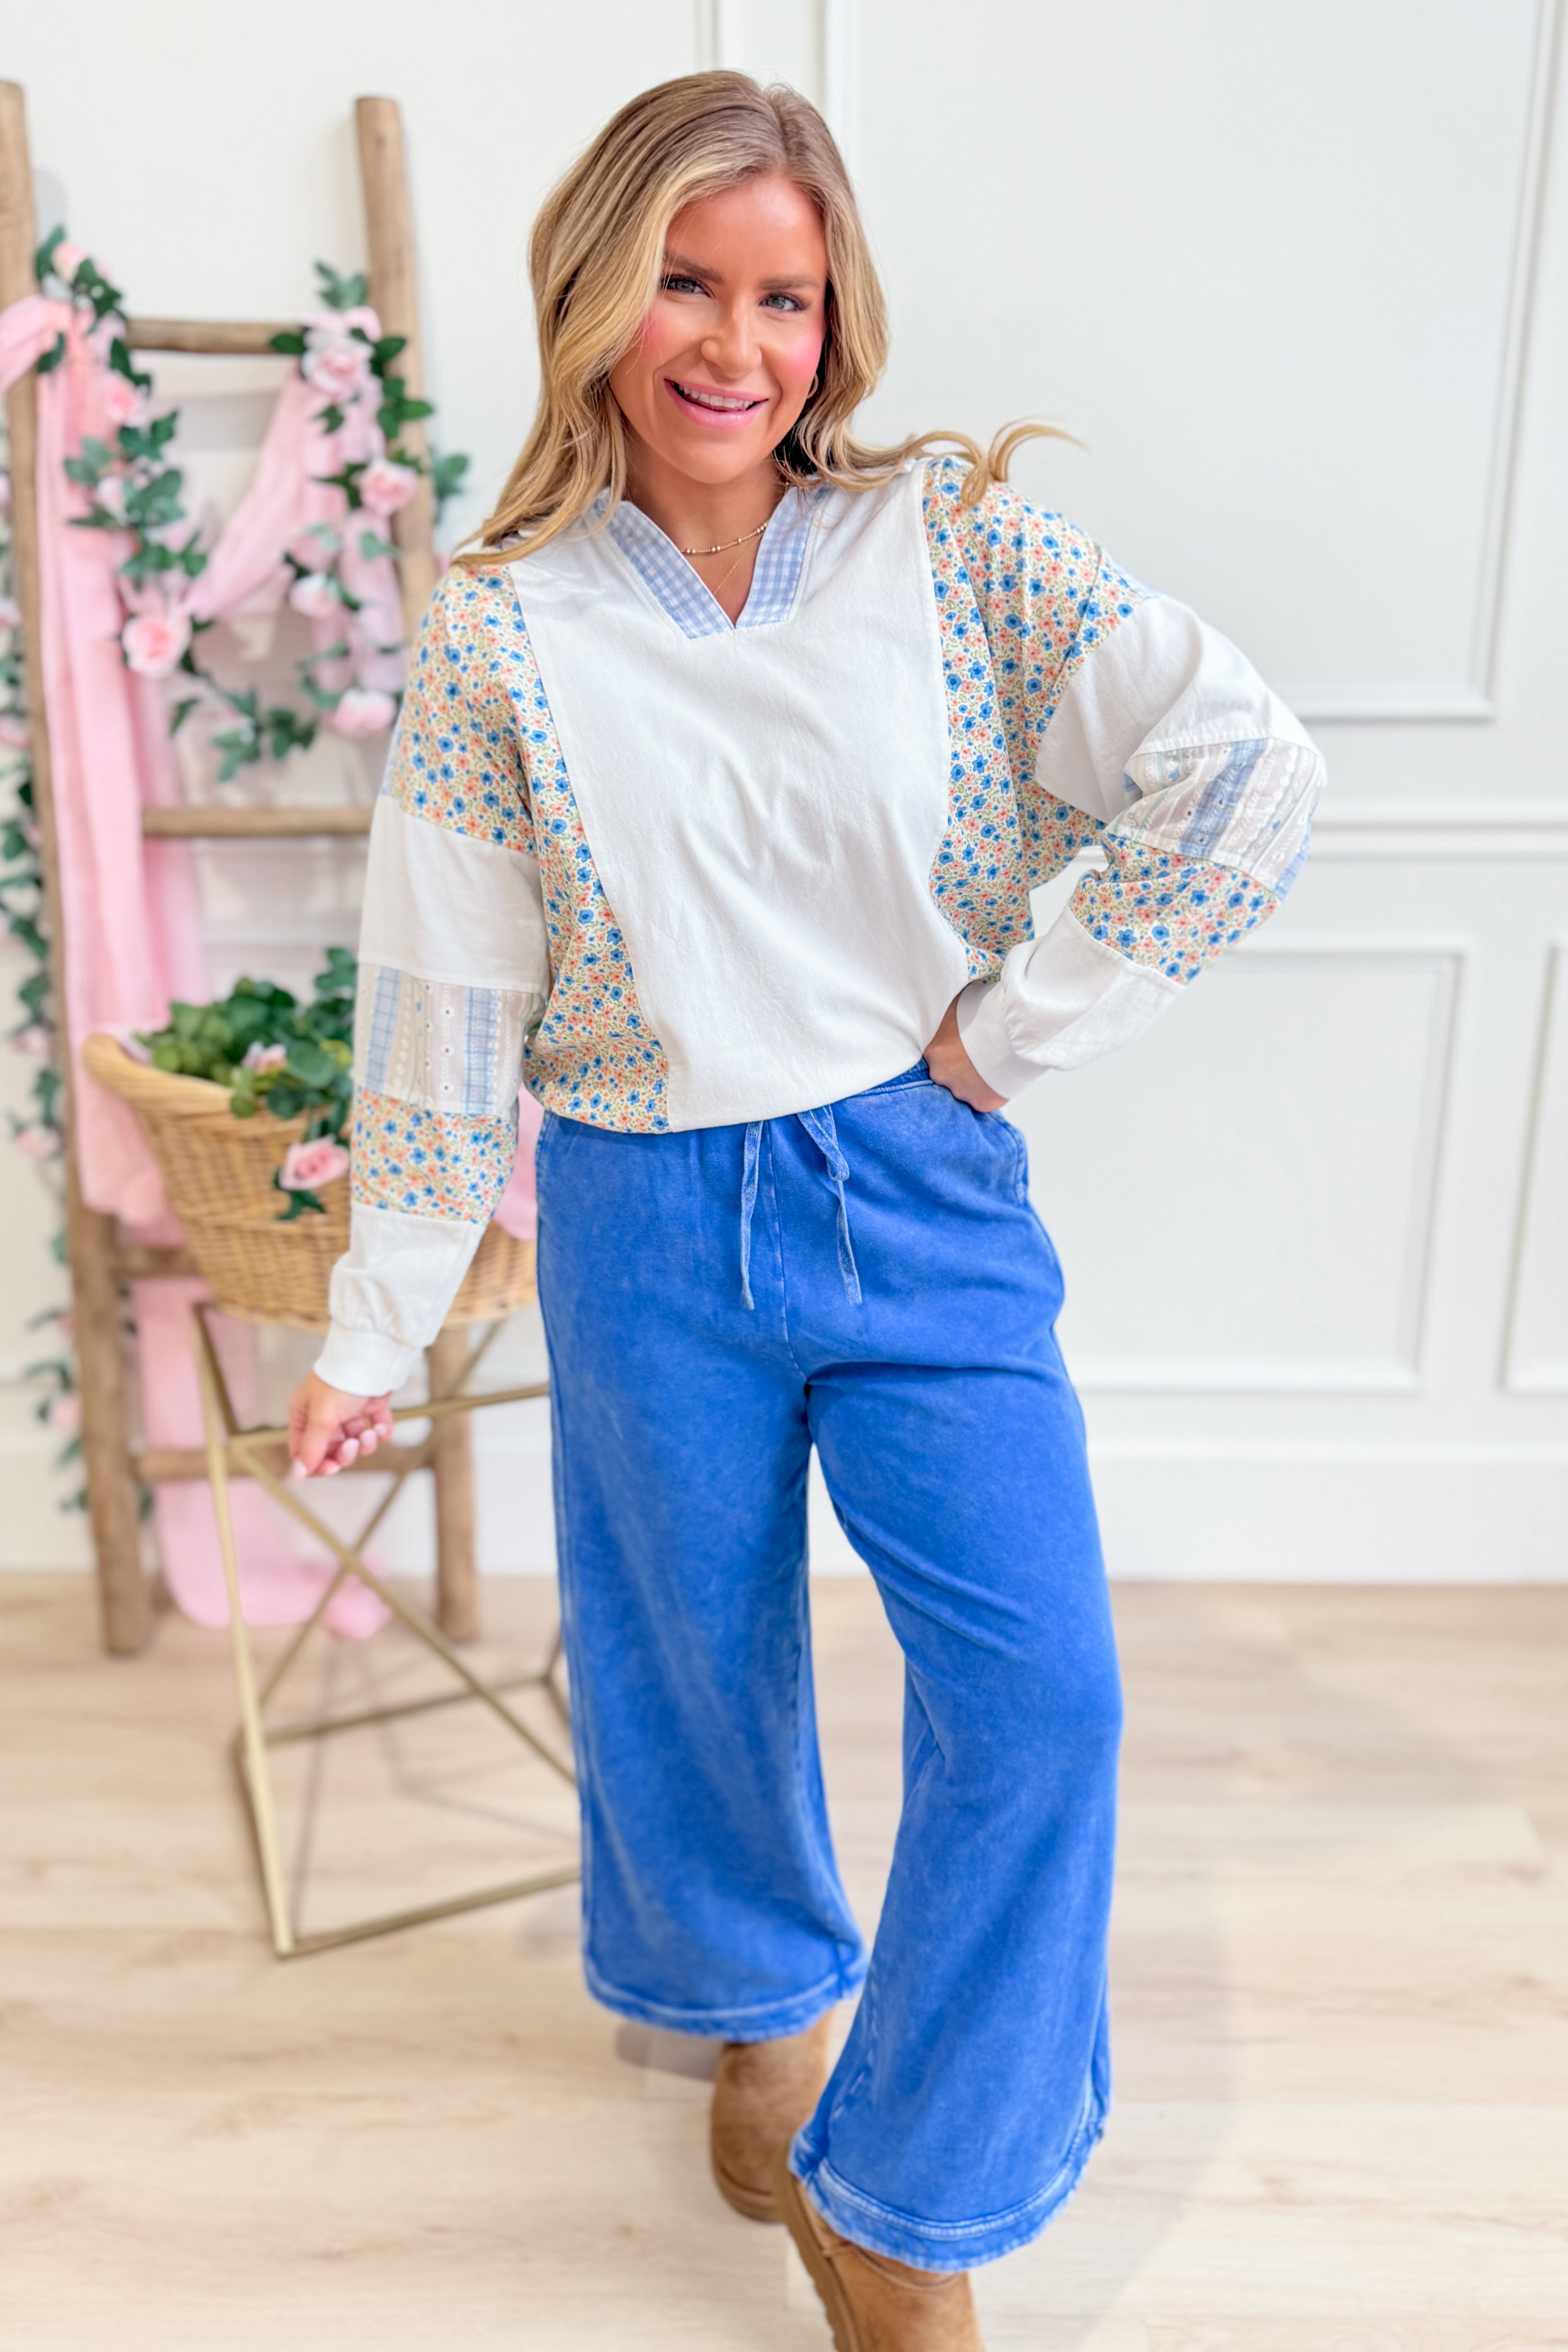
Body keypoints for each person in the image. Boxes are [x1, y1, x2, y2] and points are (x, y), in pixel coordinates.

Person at [287, 70, 1322, 2351]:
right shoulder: (500, 630)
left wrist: (1016, 1033)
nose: (734, 342)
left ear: (836, 318)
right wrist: (376, 1322)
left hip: (916, 1191)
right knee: (683, 1663)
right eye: (686, 280)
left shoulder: (951, 549)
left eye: (785, 294)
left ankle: (907, 2205)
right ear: (596, 290)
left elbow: (1245, 767)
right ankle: (760, 2003)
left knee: (1042, 1702)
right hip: (643, 1217)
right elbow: (441, 1007)